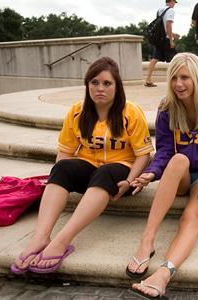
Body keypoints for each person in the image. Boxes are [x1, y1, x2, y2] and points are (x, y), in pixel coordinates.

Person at [10, 57, 154, 275]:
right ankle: (41, 237)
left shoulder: (130, 112)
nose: (100, 88)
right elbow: (65, 153)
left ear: (117, 87)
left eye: (107, 83)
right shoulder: (77, 112)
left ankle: (61, 241)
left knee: (105, 172)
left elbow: (144, 156)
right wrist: (59, 181)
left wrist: (130, 181)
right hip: (90, 167)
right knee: (62, 168)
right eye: (94, 82)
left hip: (121, 170)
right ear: (87, 85)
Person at [126, 52, 198, 298]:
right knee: (178, 158)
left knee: (191, 214)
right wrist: (152, 172)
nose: (179, 84)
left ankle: (164, 274)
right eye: (174, 77)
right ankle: (147, 241)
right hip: (181, 172)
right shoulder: (167, 106)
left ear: (197, 78)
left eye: (185, 77)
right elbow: (165, 149)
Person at [145, 0, 178, 87]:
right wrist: (171, 39)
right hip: (166, 39)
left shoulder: (160, 10)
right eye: (174, 2)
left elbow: (161, 26)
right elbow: (168, 24)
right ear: (171, 1)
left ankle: (147, 79)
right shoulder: (171, 10)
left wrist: (173, 34)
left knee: (155, 58)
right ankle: (174, 80)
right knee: (175, 59)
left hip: (159, 39)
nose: (174, 4)